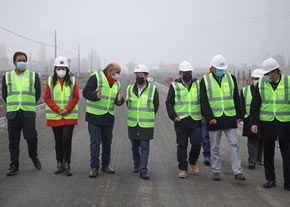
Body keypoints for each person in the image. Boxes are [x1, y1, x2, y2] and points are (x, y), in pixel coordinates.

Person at [200, 55, 246, 181]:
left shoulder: (231, 78)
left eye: (223, 68)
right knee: (214, 146)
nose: (221, 71)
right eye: (218, 68)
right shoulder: (205, 80)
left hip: (230, 117)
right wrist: (209, 117)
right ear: (213, 68)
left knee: (234, 144)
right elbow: (203, 101)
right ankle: (216, 170)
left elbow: (236, 97)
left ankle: (237, 171)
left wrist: (239, 114)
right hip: (214, 119)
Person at [250, 58, 290, 191]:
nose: (265, 77)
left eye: (267, 74)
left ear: (275, 72)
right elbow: (255, 105)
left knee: (287, 155)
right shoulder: (261, 84)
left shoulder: (288, 82)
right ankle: (270, 179)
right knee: (268, 154)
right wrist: (254, 122)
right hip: (266, 123)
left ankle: (288, 182)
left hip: (285, 123)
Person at [1, 51, 41, 176]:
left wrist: (27, 102)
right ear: (14, 62)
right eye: (19, 60)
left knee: (31, 137)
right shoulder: (7, 76)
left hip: (27, 112)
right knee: (13, 140)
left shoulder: (33, 76)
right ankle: (14, 165)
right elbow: (5, 94)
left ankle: (34, 156)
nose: (22, 63)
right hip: (13, 113)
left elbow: (37, 93)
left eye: (24, 60)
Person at [83, 63, 124, 178]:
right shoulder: (96, 77)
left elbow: (118, 100)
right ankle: (94, 167)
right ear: (110, 71)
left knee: (107, 143)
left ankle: (105, 165)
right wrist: (95, 95)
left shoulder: (117, 83)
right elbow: (85, 92)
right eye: (117, 72)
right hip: (94, 116)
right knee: (95, 142)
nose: (118, 75)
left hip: (108, 117)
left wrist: (120, 100)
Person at [166, 61, 202, 178]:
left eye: (190, 72)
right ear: (180, 73)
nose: (188, 74)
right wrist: (173, 116)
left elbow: (203, 100)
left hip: (196, 120)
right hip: (180, 121)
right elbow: (169, 103)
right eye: (185, 72)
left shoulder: (198, 85)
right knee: (182, 145)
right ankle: (182, 168)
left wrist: (205, 115)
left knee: (196, 143)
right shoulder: (174, 86)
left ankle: (192, 161)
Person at [44, 56, 79, 176]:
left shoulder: (72, 81)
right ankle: (59, 163)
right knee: (58, 141)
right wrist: (58, 109)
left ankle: (67, 164)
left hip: (69, 117)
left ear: (67, 69)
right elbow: (47, 98)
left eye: (63, 68)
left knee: (66, 139)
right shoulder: (50, 81)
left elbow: (76, 97)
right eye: (59, 68)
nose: (61, 70)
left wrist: (68, 109)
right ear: (55, 69)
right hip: (56, 116)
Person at [126, 64, 159, 179]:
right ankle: (136, 164)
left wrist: (147, 115)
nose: (138, 77)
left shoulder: (153, 90)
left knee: (144, 146)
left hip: (146, 124)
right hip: (133, 123)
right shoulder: (130, 89)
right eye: (137, 75)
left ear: (146, 76)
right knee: (135, 146)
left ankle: (143, 169)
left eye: (141, 75)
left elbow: (156, 106)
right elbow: (127, 103)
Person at [240, 69, 264, 169]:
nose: (257, 80)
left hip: (263, 118)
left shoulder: (265, 90)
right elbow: (241, 105)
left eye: (259, 79)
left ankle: (259, 159)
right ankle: (252, 161)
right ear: (252, 79)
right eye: (255, 79)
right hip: (249, 118)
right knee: (252, 140)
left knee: (261, 139)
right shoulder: (245, 91)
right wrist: (240, 117)